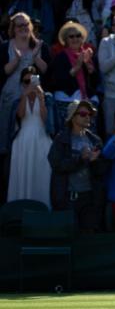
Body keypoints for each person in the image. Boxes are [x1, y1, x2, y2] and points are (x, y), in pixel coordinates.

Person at [48, 100, 110, 233]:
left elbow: (102, 170)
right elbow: (56, 164)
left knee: (89, 238)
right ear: (72, 117)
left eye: (90, 114)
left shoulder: (95, 140)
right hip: (68, 199)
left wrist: (95, 162)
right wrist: (80, 159)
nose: (88, 117)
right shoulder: (61, 139)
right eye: (83, 114)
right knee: (70, 237)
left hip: (90, 198)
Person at [0, 12, 50, 154]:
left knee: (33, 138)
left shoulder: (41, 46)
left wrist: (35, 57)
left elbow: (47, 70)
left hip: (34, 100)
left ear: (31, 26)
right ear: (13, 28)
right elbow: (3, 72)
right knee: (6, 141)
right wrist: (16, 60)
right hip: (10, 97)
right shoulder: (5, 47)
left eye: (26, 24)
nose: (23, 27)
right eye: (19, 25)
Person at [7, 66, 52, 207]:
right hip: (23, 141)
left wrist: (41, 98)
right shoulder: (18, 99)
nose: (29, 84)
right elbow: (21, 115)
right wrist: (25, 95)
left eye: (32, 80)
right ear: (22, 83)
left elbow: (46, 120)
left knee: (42, 176)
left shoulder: (47, 97)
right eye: (26, 81)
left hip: (42, 140)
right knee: (23, 176)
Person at [51, 20, 100, 134]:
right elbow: (59, 81)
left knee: (89, 135)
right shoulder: (60, 57)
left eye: (78, 36)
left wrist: (90, 68)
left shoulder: (88, 55)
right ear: (66, 40)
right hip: (66, 101)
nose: (75, 39)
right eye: (71, 36)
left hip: (87, 102)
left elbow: (96, 82)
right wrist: (77, 67)